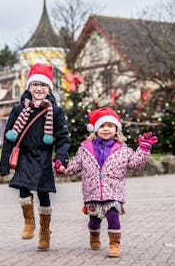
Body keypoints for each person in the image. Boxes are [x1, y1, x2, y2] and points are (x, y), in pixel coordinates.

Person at [55, 107, 157, 257]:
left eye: (110, 126)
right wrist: (62, 168)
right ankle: (94, 235)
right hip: (92, 191)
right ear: (95, 130)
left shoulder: (123, 149)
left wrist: (143, 148)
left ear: (116, 129)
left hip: (114, 191)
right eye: (102, 126)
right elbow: (75, 165)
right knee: (94, 220)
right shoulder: (86, 148)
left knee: (113, 215)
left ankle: (114, 244)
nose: (106, 129)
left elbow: (134, 163)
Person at [0, 63, 70, 250]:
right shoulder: (18, 110)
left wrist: (61, 159)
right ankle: (29, 221)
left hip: (43, 158)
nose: (39, 88)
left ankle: (45, 231)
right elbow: (8, 138)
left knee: (43, 194)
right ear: (29, 87)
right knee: (22, 188)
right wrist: (4, 163)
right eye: (35, 85)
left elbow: (63, 140)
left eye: (43, 85)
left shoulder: (55, 112)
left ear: (49, 89)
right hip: (24, 155)